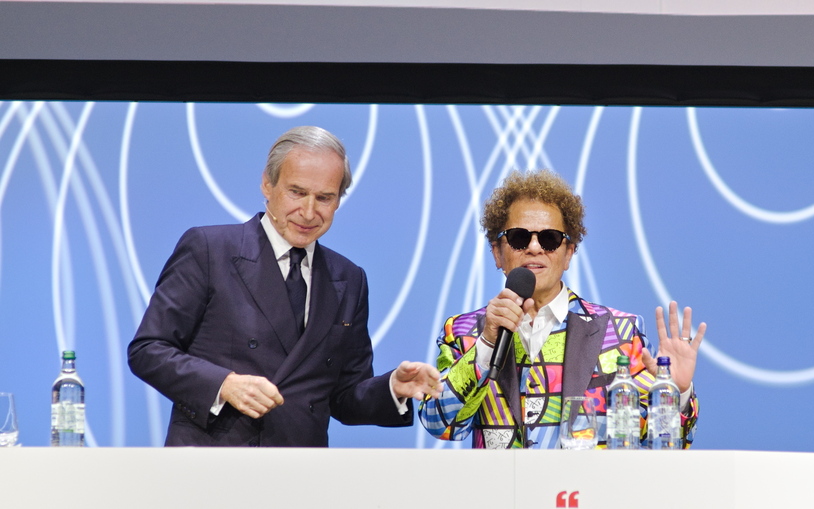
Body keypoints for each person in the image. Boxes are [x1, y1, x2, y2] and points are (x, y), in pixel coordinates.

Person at [128, 126, 442, 446]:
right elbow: (148, 350)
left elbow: (344, 395)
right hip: (214, 460)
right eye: (297, 192)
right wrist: (224, 385)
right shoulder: (210, 250)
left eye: (324, 198)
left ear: (338, 200)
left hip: (301, 466)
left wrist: (392, 388)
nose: (308, 212)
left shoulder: (349, 279)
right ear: (268, 183)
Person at [418, 169, 706, 449]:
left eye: (550, 239)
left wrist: (677, 392)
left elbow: (662, 441)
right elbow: (439, 424)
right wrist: (486, 346)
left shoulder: (620, 333)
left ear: (568, 254)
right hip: (498, 484)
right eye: (519, 237)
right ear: (497, 253)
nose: (534, 248)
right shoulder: (463, 332)